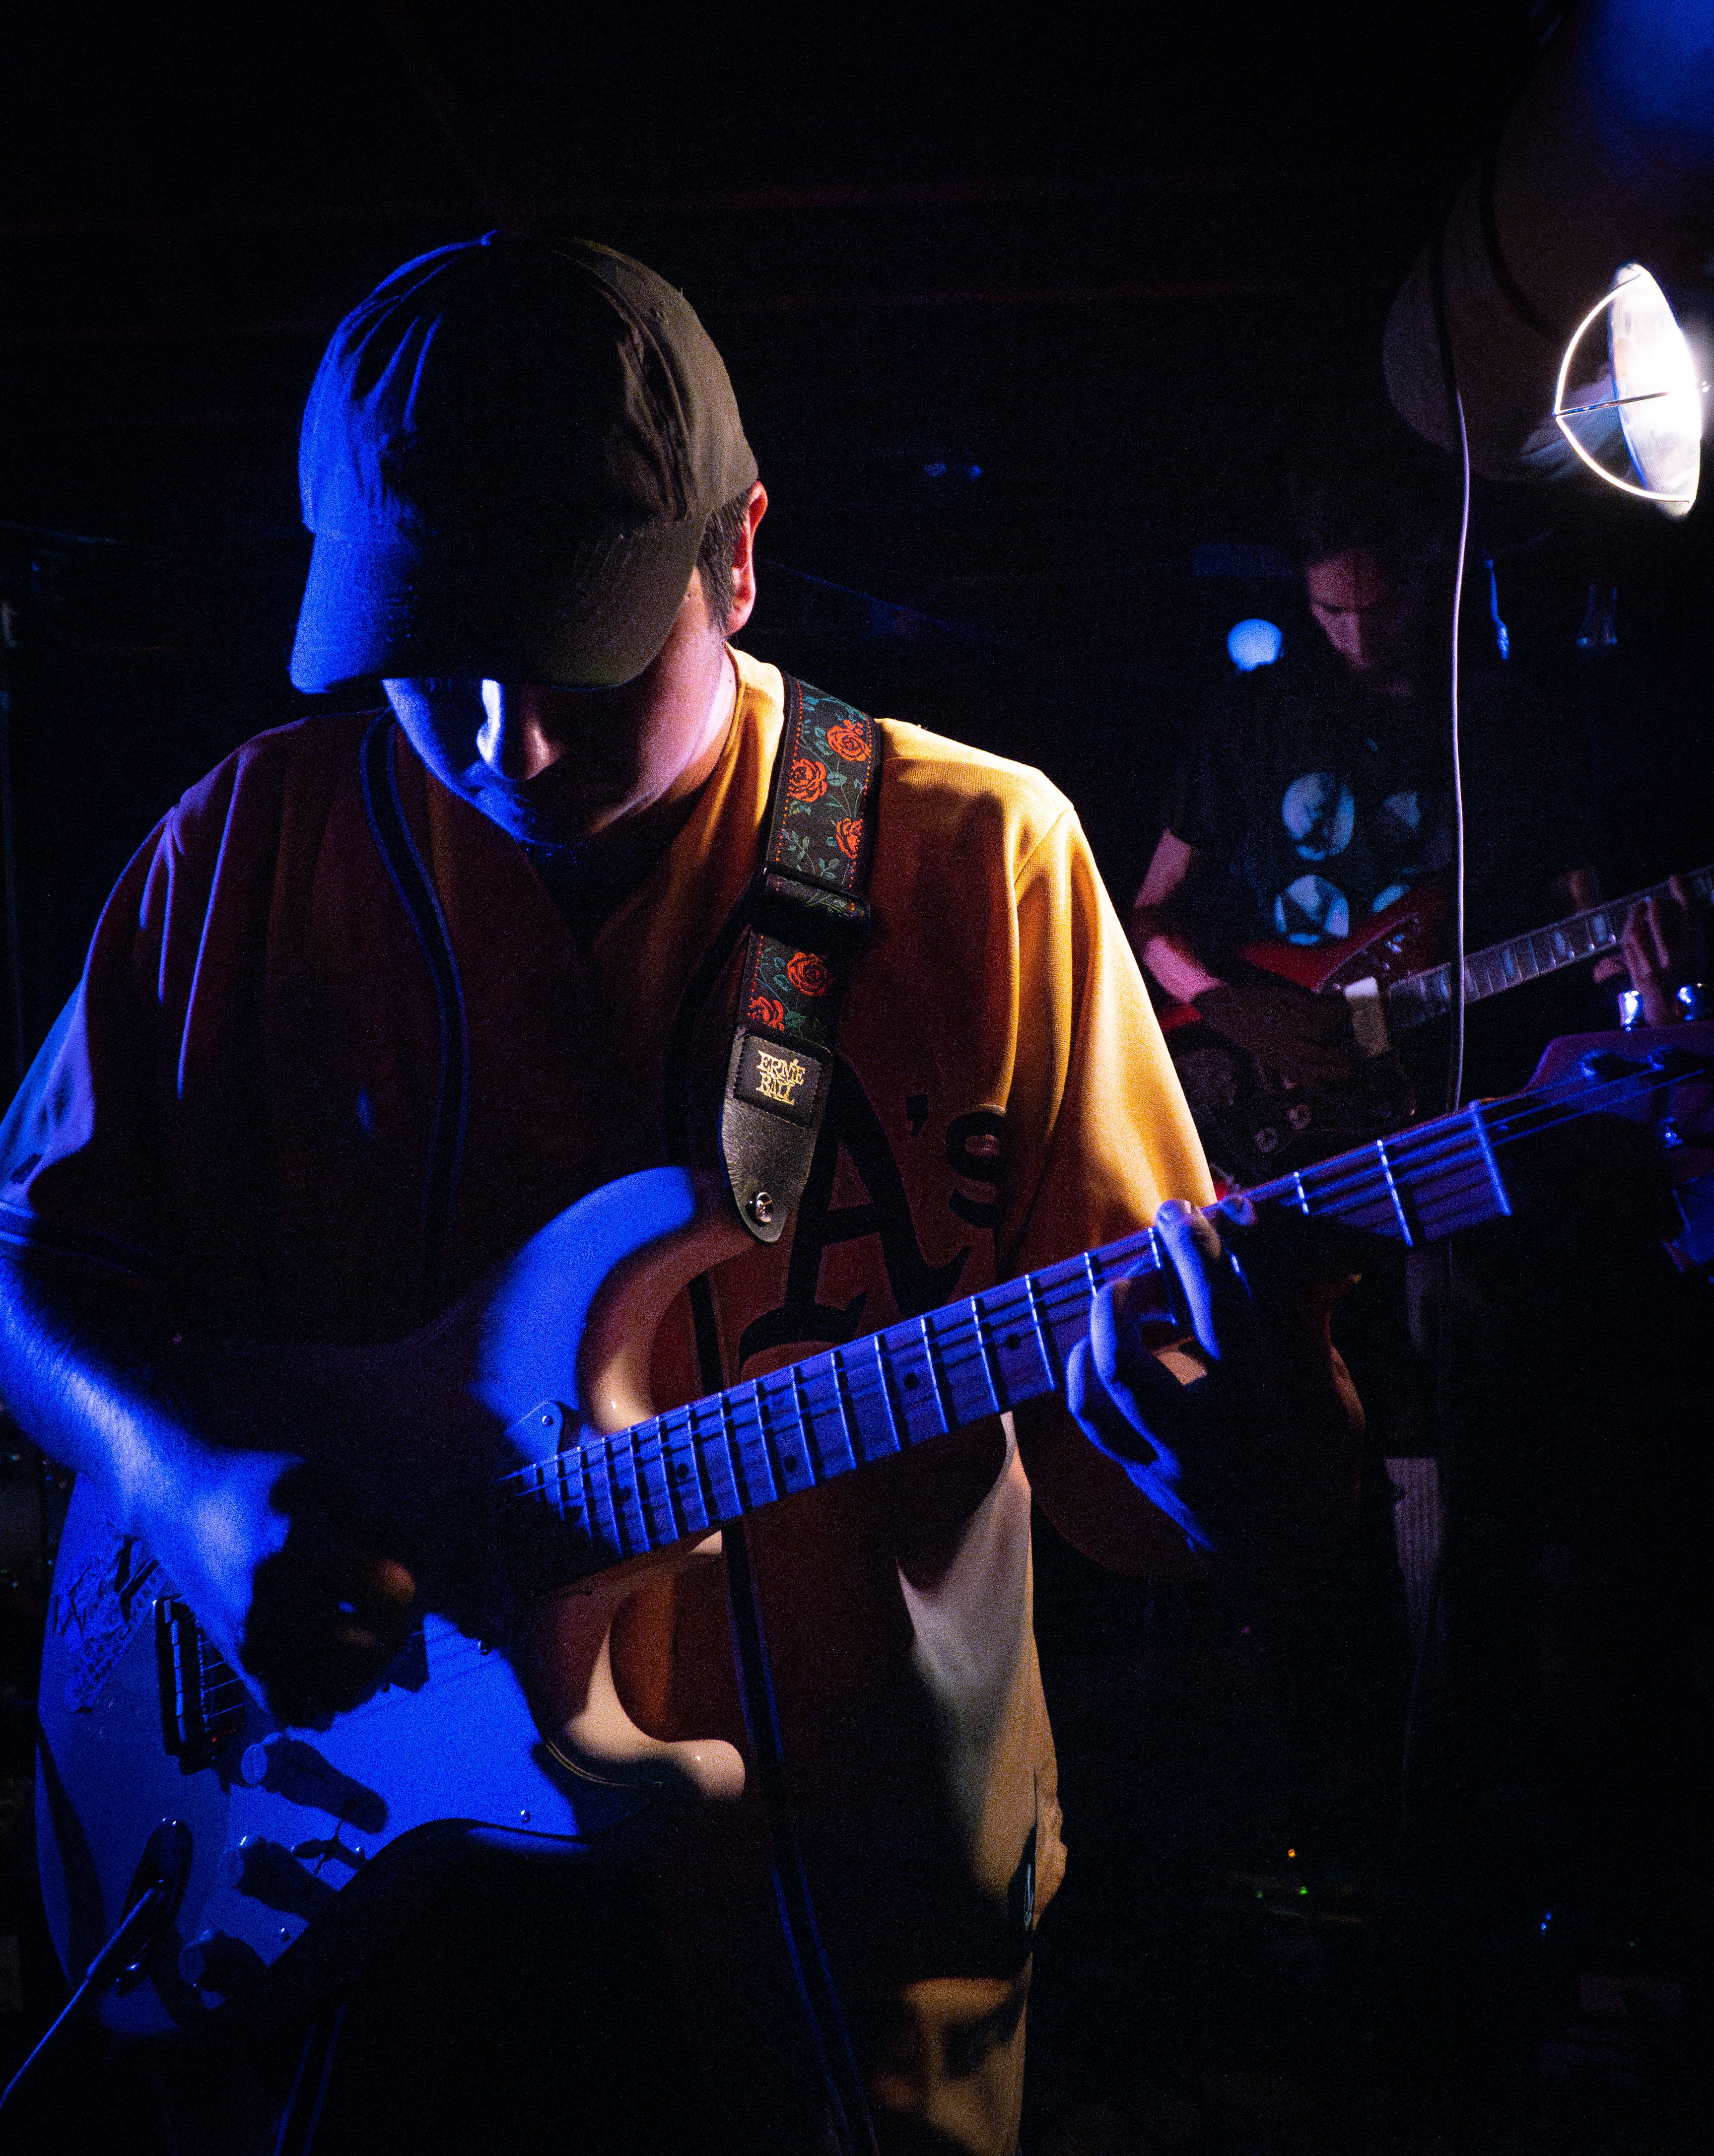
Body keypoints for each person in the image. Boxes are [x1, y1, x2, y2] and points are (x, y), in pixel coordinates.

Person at [0, 237, 1359, 2156]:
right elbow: (27, 1267)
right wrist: (184, 1487)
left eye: (578, 649)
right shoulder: (237, 852)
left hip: (839, 1952)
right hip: (335, 1961)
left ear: (737, 558)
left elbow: (1139, 1483)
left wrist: (1244, 1460)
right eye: (430, 661)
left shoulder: (985, 864)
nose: (505, 739)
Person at [1131, 420, 1601, 1182]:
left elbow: (1586, 913)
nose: (1357, 639)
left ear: (1426, 581)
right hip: (1298, 1089)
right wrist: (1222, 1004)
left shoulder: (1504, 721)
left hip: (1466, 1088)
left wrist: (1633, 967)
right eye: (1330, 613)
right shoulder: (1256, 716)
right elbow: (1154, 912)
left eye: (1378, 611)